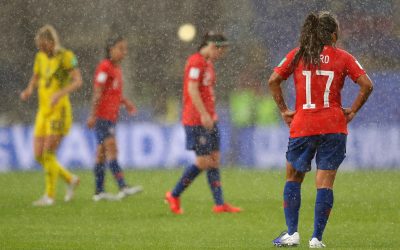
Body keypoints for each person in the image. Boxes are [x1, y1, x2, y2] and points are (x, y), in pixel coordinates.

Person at [268, 12, 373, 248]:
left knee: (293, 177)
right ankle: (316, 238)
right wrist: (353, 110)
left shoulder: (298, 55)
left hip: (304, 123)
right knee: (325, 182)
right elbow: (367, 85)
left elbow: (273, 80)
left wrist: (285, 109)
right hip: (334, 125)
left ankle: (292, 233)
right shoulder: (344, 57)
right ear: (333, 35)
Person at [165, 32, 242, 214]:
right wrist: (204, 114)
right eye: (220, 51)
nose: (220, 55)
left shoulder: (208, 64)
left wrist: (211, 114)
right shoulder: (196, 61)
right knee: (203, 161)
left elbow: (206, 92)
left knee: (214, 160)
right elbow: (192, 89)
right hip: (196, 120)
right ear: (212, 46)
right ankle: (174, 194)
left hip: (209, 118)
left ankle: (219, 204)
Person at [20, 25, 82, 206]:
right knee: (38, 155)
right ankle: (70, 180)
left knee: (48, 153)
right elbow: (36, 76)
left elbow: (78, 81)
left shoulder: (66, 56)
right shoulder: (40, 57)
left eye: (44, 46)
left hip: (59, 111)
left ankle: (50, 196)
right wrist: (29, 89)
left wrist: (59, 94)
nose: (41, 49)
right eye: (39, 46)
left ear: (52, 42)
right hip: (43, 111)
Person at [87, 35, 142, 201]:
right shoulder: (105, 67)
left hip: (110, 116)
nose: (124, 52)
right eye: (120, 48)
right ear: (111, 49)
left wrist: (126, 102)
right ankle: (122, 186)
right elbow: (98, 92)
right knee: (111, 149)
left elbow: (113, 93)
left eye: (125, 49)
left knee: (101, 154)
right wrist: (93, 115)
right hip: (103, 116)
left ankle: (99, 191)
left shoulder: (116, 69)